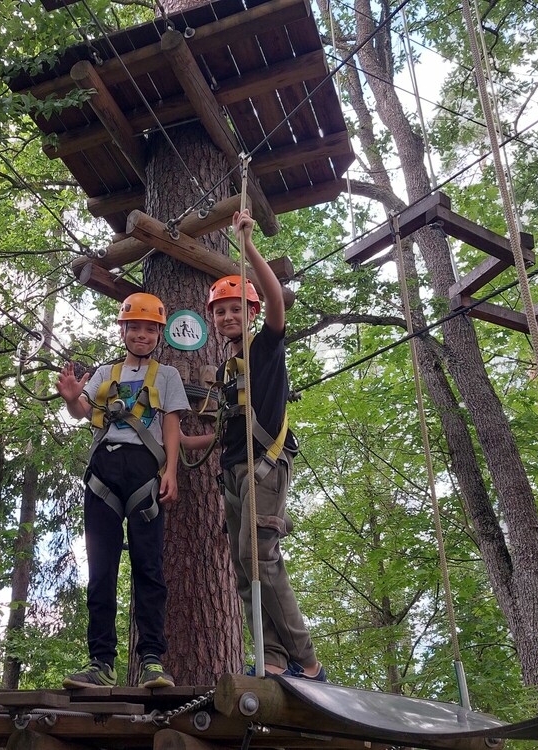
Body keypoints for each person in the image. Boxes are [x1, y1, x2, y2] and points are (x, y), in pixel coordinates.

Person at [181, 209, 326, 681]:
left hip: (265, 465)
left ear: (252, 313)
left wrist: (247, 247)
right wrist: (185, 441)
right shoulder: (227, 373)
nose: (227, 317)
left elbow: (277, 300)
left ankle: (306, 659)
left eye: (236, 309)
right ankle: (275, 657)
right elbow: (228, 431)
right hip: (233, 470)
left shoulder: (265, 350)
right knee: (244, 568)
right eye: (220, 311)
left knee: (259, 557)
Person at [56, 292, 189, 689]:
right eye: (135, 328)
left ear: (159, 335)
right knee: (101, 569)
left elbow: (171, 426)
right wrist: (71, 400)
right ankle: (101, 662)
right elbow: (82, 412)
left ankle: (152, 659)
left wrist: (171, 471)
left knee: (149, 567)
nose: (142, 335)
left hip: (145, 473)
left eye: (150, 330)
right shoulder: (104, 373)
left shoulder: (167, 376)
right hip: (103, 473)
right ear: (123, 331)